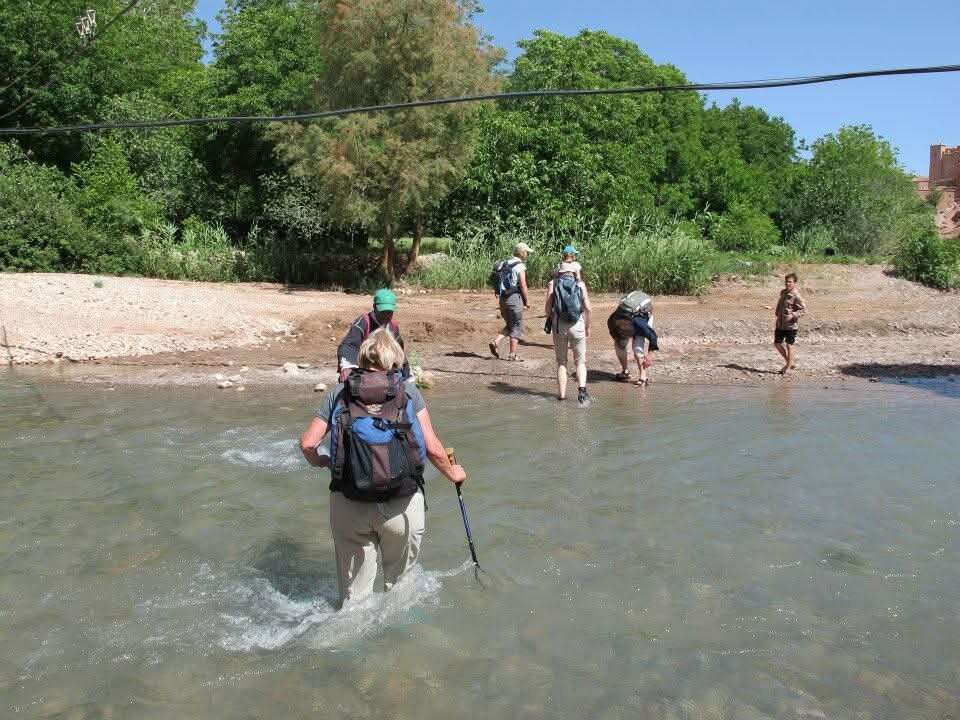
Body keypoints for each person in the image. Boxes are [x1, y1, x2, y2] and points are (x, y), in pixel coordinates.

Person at [300, 328, 466, 608]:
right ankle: (401, 647)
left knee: (354, 602)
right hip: (400, 505)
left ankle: (350, 646)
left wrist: (323, 461)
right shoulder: (409, 391)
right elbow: (434, 448)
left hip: (349, 502)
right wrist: (454, 474)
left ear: (363, 357)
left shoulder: (340, 393)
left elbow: (308, 444)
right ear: (395, 360)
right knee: (400, 592)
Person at [337, 288, 410, 381]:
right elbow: (349, 346)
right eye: (383, 312)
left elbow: (399, 352)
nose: (386, 316)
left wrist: (407, 374)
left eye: (389, 312)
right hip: (362, 369)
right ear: (374, 307)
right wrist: (347, 368)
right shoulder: (363, 323)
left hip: (385, 372)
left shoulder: (393, 325)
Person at [545, 269, 592, 404]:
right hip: (578, 324)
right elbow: (588, 308)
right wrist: (587, 326)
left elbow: (547, 309)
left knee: (562, 362)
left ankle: (562, 396)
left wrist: (551, 316)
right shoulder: (580, 284)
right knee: (580, 362)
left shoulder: (553, 283)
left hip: (559, 326)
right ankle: (582, 392)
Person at [489, 242, 532, 362]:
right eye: (527, 252)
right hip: (514, 299)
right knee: (516, 326)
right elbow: (523, 285)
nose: (528, 254)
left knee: (510, 325)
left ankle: (495, 342)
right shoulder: (520, 266)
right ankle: (512, 354)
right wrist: (527, 301)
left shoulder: (504, 263)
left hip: (502, 299)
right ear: (522, 253)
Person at [607, 291, 657, 385]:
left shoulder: (641, 324)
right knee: (619, 345)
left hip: (643, 314)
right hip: (627, 315)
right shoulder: (613, 320)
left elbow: (653, 336)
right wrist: (618, 339)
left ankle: (643, 377)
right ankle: (625, 372)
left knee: (637, 347)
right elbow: (614, 333)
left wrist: (650, 355)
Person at [774, 272, 807, 375]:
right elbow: (780, 304)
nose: (787, 283)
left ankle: (788, 367)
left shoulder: (796, 295)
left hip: (791, 325)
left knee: (789, 345)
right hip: (780, 324)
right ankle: (790, 362)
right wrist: (777, 311)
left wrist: (793, 315)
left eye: (790, 282)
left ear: (795, 283)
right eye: (786, 281)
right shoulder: (783, 292)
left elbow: (804, 310)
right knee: (777, 343)